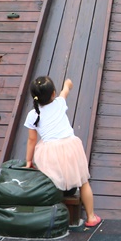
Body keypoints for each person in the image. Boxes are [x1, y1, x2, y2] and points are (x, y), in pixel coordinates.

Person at [24, 76, 102, 228]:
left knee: (51, 178)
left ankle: (50, 212)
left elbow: (32, 140)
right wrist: (67, 84)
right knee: (83, 183)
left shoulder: (32, 115)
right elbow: (65, 91)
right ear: (53, 94)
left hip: (49, 152)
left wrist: (28, 161)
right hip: (70, 147)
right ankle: (91, 217)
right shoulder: (60, 102)